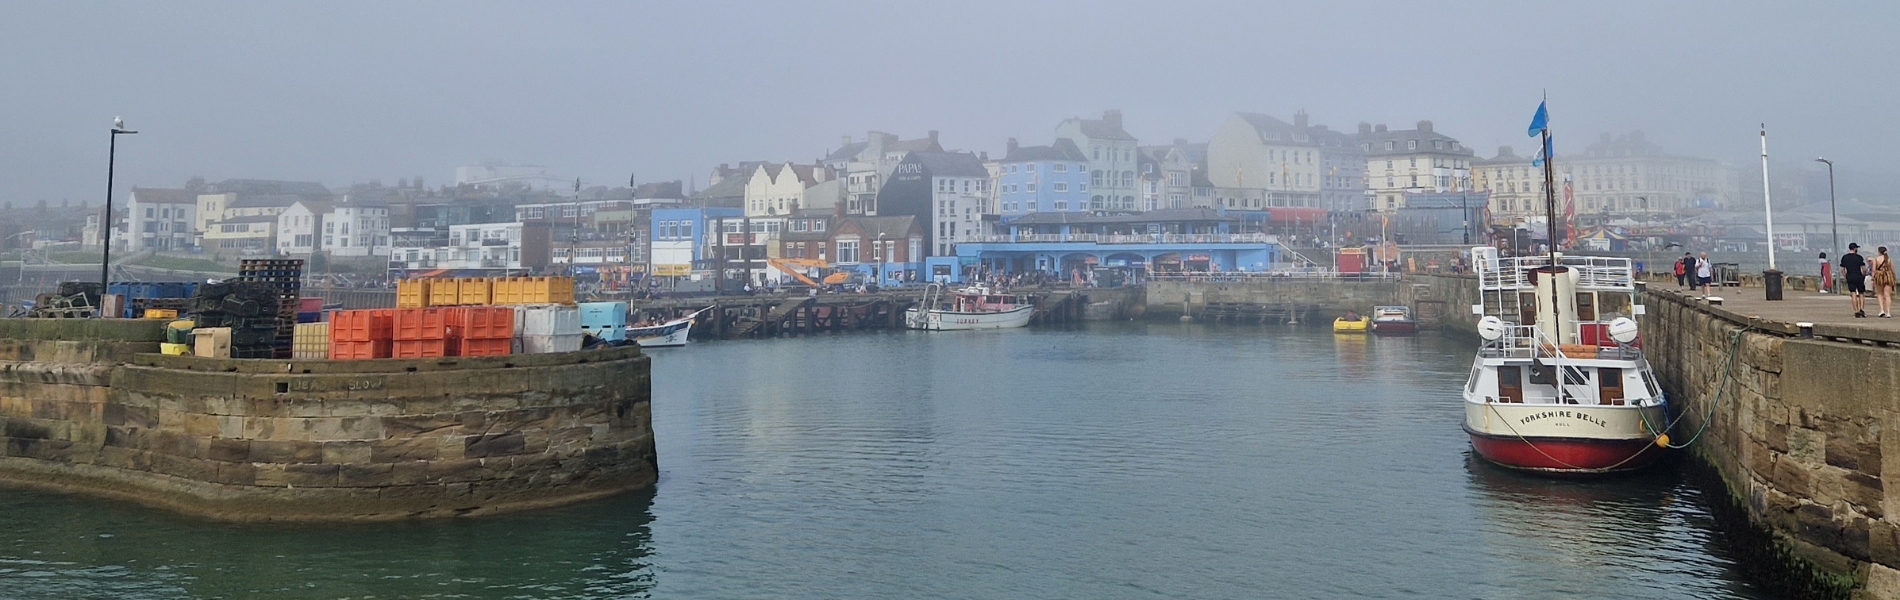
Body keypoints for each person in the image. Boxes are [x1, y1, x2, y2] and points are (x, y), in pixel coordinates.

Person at [1843, 243, 1869, 318]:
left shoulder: (1845, 257)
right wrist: (1864, 274)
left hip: (1850, 276)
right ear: (1855, 249)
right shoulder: (1859, 257)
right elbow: (1864, 269)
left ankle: (1856, 311)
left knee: (1853, 293)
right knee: (1861, 293)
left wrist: (1846, 276)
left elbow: (1842, 269)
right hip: (1858, 276)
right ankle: (1861, 309)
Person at [1873, 246, 1896, 318]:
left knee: (1880, 294)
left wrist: (1873, 279)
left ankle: (1882, 310)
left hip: (1879, 276)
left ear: (1879, 251)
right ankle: (1888, 312)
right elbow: (1892, 270)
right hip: (1888, 276)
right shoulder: (1889, 259)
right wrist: (1894, 278)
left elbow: (1874, 270)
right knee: (1887, 295)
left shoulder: (1876, 259)